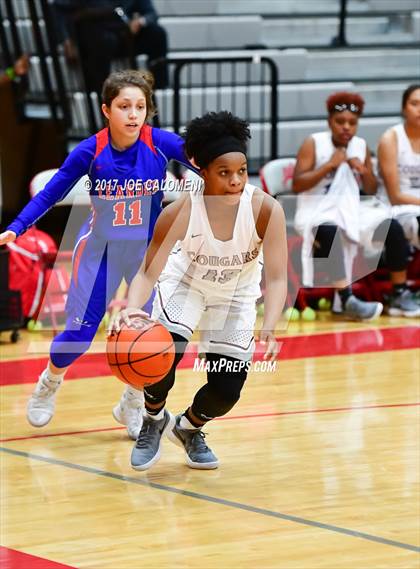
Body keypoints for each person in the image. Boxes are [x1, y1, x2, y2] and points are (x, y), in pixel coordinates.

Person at [0, 69, 194, 439]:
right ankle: (48, 382)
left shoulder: (161, 143)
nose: (134, 114)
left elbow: (207, 158)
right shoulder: (90, 150)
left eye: (140, 106)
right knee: (78, 335)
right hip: (99, 252)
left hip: (144, 256)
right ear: (106, 109)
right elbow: (50, 193)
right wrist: (17, 226)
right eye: (124, 106)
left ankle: (132, 402)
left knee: (149, 333)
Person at [110, 111, 287, 470]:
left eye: (241, 171)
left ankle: (189, 427)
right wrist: (131, 307)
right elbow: (147, 272)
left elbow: (279, 278)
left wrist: (271, 322)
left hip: (236, 295)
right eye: (224, 173)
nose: (236, 180)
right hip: (186, 284)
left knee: (226, 392)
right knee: (160, 355)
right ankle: (153, 418)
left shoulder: (266, 210)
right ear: (202, 171)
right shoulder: (180, 212)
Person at [292, 91, 383, 320]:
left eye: (352, 123)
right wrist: (329, 165)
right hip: (313, 211)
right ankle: (347, 298)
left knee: (390, 226)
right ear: (329, 122)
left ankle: (398, 292)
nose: (346, 127)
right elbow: (297, 184)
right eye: (340, 122)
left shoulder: (361, 146)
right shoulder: (313, 143)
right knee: (330, 228)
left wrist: (363, 172)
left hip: (349, 210)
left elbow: (372, 190)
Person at [53, 0, 168, 93]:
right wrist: (66, 40)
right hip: (94, 34)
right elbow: (59, 9)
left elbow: (151, 13)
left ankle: (160, 88)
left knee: (157, 33)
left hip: (124, 34)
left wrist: (141, 21)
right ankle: (98, 93)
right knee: (100, 40)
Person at [375, 84, 420, 316]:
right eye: (414, 103)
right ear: (404, 108)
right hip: (395, 209)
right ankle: (399, 292)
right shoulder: (391, 139)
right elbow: (395, 195)